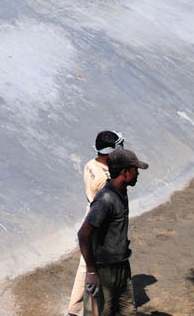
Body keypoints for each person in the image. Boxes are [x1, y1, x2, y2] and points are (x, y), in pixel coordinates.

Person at [77, 149, 149, 316]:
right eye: (135, 169)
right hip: (103, 270)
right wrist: (92, 271)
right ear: (124, 172)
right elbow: (83, 234)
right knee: (101, 312)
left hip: (122, 265)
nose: (138, 173)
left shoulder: (122, 193)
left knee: (128, 311)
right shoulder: (105, 199)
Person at [67, 131, 125, 315]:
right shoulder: (105, 179)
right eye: (120, 146)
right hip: (100, 224)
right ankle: (82, 310)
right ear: (110, 152)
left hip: (90, 215)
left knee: (85, 266)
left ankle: (75, 309)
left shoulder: (90, 165)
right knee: (94, 270)